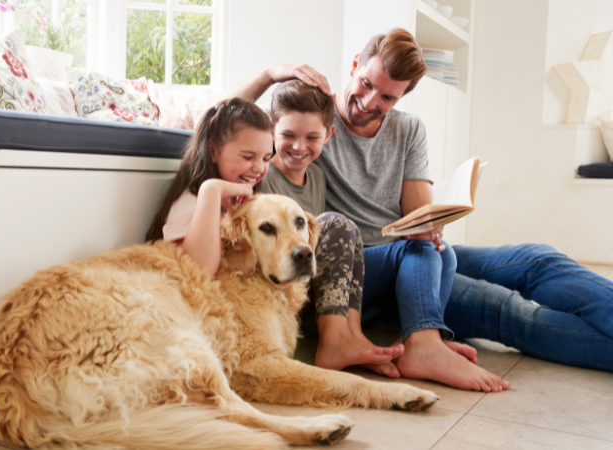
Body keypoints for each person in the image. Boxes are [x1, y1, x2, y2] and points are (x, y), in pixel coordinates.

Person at [226, 28, 613, 377]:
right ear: (355, 65)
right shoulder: (311, 122)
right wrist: (271, 73)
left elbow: (417, 218)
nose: (368, 101)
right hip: (364, 270)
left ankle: (426, 333)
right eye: (365, 84)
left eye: (387, 97)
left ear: (402, 96)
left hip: (409, 259)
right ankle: (426, 343)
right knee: (512, 310)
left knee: (537, 258)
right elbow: (225, 121)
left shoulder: (406, 130)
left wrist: (433, 223)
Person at [260, 79, 404, 370]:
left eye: (312, 138)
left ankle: (352, 336)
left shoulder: (317, 177)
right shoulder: (264, 179)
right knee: (336, 223)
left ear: (328, 135)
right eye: (288, 135)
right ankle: (335, 342)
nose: (300, 147)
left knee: (351, 232)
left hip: (310, 290)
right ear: (271, 130)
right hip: (281, 293)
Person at [145, 97, 273, 277]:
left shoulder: (240, 200)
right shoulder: (192, 205)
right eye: (247, 157)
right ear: (213, 151)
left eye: (266, 158)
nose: (260, 168)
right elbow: (199, 273)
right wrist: (212, 190)